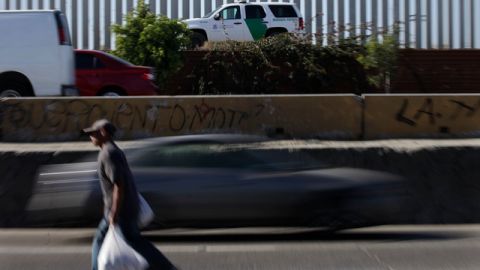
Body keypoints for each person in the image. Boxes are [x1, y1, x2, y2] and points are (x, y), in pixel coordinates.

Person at [84, 119, 177, 270]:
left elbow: (119, 185)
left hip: (121, 211)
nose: (90, 137)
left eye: (93, 133)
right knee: (103, 240)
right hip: (120, 209)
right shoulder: (112, 151)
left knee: (133, 241)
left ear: (103, 133)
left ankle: (165, 267)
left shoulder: (109, 154)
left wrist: (114, 213)